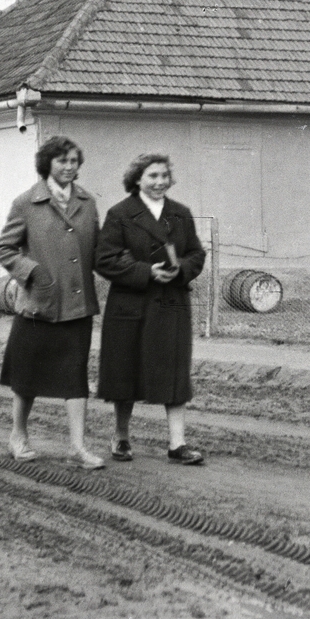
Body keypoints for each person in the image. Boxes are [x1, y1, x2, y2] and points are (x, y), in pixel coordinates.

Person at [0, 135, 105, 469]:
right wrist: (34, 273)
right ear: (48, 165)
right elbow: (5, 249)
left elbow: (98, 251)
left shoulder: (87, 202)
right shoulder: (26, 203)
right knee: (26, 376)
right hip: (38, 306)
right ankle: (18, 436)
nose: (69, 167)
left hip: (77, 305)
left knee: (75, 377)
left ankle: (77, 446)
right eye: (62, 161)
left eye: (74, 161)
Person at [95, 153, 207, 465]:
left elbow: (197, 254)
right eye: (152, 176)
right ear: (137, 179)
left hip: (171, 304)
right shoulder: (120, 213)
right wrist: (146, 272)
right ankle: (120, 436)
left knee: (174, 374)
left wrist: (180, 268)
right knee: (125, 372)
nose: (159, 182)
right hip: (131, 304)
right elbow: (105, 258)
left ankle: (177, 443)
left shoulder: (180, 213)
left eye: (163, 176)